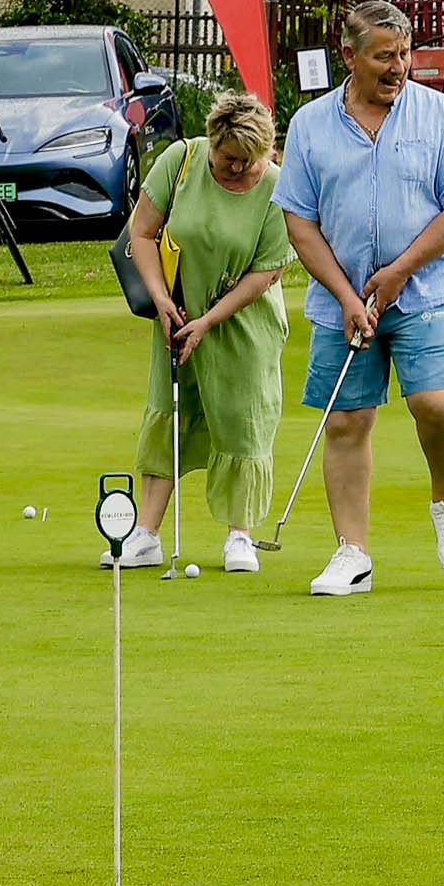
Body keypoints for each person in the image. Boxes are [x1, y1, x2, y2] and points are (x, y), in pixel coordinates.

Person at [272, 0, 444, 596]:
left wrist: (397, 272)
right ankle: (353, 554)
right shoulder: (309, 125)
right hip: (341, 302)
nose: (398, 68)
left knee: (436, 408)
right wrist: (344, 294)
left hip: (424, 291)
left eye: (405, 55)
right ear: (349, 56)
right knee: (346, 421)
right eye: (383, 57)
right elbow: (300, 223)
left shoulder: (437, 113)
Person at [114, 90, 292, 576]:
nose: (236, 169)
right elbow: (143, 232)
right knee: (171, 413)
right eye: (227, 158)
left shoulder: (278, 186)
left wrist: (208, 320)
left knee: (242, 421)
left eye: (246, 162)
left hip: (243, 324)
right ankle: (146, 534)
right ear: (211, 142)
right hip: (176, 313)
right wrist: (162, 300)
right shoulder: (181, 160)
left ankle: (240, 535)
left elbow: (267, 272)